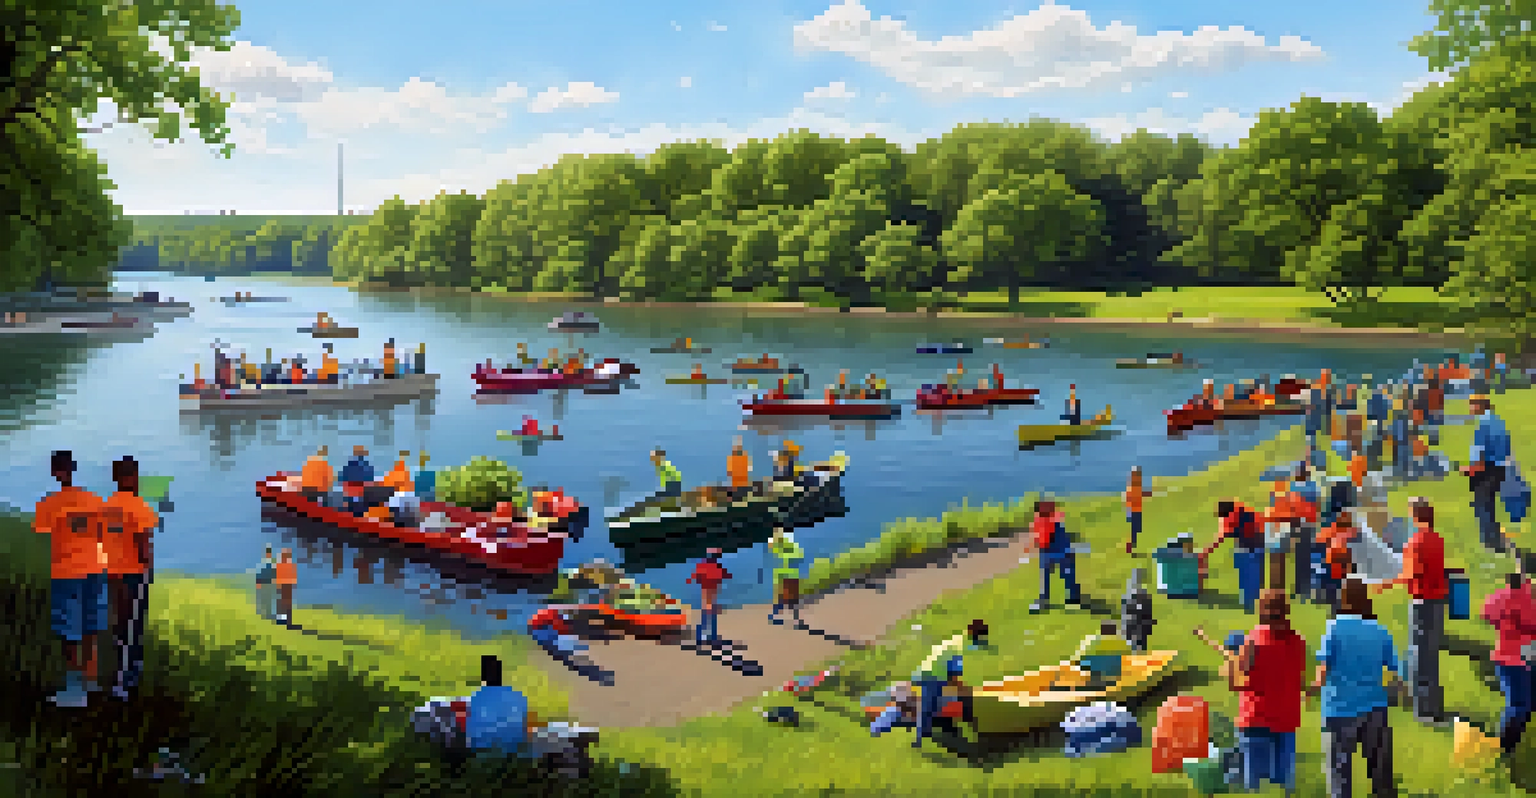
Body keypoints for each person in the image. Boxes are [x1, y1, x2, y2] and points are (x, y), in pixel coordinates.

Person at [1310, 577, 1399, 798]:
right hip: (1375, 707)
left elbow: (1324, 668)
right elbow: (1394, 672)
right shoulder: (1380, 630)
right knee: (1381, 773)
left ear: (1343, 598)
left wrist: (1312, 687)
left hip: (1339, 709)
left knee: (1340, 773)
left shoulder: (1333, 628)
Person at [33, 450, 108, 707]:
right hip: (96, 567)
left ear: (55, 472)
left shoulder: (48, 503)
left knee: (69, 630)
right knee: (90, 626)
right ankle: (91, 681)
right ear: (74, 469)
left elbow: (41, 530)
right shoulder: (95, 500)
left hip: (67, 571)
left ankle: (75, 690)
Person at [1376, 497, 1448, 724]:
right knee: (1431, 656)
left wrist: (1385, 584)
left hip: (1422, 602)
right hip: (1437, 603)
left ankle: (1423, 711)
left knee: (1419, 656)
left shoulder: (1415, 542)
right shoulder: (1437, 539)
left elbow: (1411, 573)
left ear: (1415, 515)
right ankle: (1434, 707)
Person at [1231, 590, 1308, 794]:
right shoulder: (1299, 641)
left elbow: (1236, 683)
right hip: (1286, 718)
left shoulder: (1253, 640)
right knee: (1283, 786)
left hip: (1256, 717)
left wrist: (1231, 665)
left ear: (1261, 611)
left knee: (1255, 786)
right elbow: (1299, 680)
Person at [101, 456, 159, 699]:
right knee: (133, 627)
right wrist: (149, 569)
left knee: (120, 623)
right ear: (133, 477)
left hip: (111, 573)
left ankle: (128, 669)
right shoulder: (140, 508)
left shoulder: (106, 507)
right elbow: (143, 547)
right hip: (134, 574)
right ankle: (123, 683)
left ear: (115, 479)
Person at [1482, 571, 1536, 756]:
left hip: (1513, 659)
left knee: (1523, 704)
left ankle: (1516, 745)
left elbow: (1487, 612)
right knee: (1519, 705)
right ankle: (1505, 749)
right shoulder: (1524, 601)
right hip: (1514, 661)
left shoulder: (1502, 597)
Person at [1463, 393, 1513, 553]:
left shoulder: (1482, 425)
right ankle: (1495, 539)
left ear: (1479, 405)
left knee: (1483, 506)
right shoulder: (1498, 421)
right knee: (1490, 506)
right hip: (1500, 468)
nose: (1470, 408)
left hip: (1485, 471)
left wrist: (1469, 470)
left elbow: (1480, 454)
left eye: (1471, 404)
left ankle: (1491, 543)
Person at [1203, 500, 1267, 613]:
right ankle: (1256, 602)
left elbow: (1221, 536)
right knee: (1255, 576)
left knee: (1248, 576)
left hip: (1250, 547)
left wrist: (1206, 552)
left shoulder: (1233, 517)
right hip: (1256, 544)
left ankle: (1250, 603)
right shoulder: (1241, 510)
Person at [466, 655, 532, 754]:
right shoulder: (518, 696)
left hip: (484, 752)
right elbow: (525, 729)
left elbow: (471, 732)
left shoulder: (477, 697)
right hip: (513, 752)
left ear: (484, 677)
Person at [1028, 499, 1081, 613]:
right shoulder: (1052, 520)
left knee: (1058, 575)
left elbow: (1040, 539)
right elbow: (1041, 539)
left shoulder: (1049, 521)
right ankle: (1072, 597)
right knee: (1062, 575)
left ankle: (1071, 597)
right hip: (1056, 552)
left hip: (1055, 552)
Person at [687, 548, 731, 646]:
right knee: (710, 615)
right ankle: (710, 637)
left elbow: (693, 578)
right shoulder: (716, 567)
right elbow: (727, 575)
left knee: (706, 614)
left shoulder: (703, 566)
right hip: (711, 592)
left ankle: (703, 637)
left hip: (706, 592)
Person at [768, 528, 804, 627]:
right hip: (790, 575)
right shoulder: (791, 547)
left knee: (784, 597)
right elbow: (800, 556)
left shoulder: (780, 549)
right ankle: (794, 619)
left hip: (785, 576)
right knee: (790, 598)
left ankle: (779, 616)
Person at [1121, 568, 1154, 653]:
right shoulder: (1129, 597)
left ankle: (1140, 650)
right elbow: (1127, 612)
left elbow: (1147, 612)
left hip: (1140, 624)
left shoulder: (1144, 597)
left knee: (1140, 641)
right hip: (1134, 623)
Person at [339, 445, 376, 516]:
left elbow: (343, 479)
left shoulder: (349, 465)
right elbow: (369, 481)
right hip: (361, 492)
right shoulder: (367, 466)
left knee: (351, 510)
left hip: (352, 491)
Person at [1124, 466, 1150, 554]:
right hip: (1133, 511)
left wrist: (1147, 493)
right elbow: (1129, 499)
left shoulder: (1137, 485)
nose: (1139, 476)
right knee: (1134, 530)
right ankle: (1130, 546)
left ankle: (1132, 545)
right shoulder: (1131, 487)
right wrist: (1128, 512)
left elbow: (1139, 494)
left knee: (1137, 529)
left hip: (1138, 510)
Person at [274, 548, 297, 626]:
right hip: (282, 585)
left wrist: (292, 585)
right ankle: (281, 619)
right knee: (281, 603)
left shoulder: (290, 565)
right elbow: (277, 576)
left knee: (287, 604)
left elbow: (293, 577)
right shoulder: (280, 565)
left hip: (287, 586)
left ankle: (287, 620)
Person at [255, 546, 277, 621]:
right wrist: (258, 582)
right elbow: (259, 573)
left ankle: (267, 613)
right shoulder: (263, 563)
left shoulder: (271, 564)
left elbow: (274, 574)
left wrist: (274, 582)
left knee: (268, 599)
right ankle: (262, 612)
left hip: (269, 583)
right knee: (263, 598)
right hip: (264, 583)